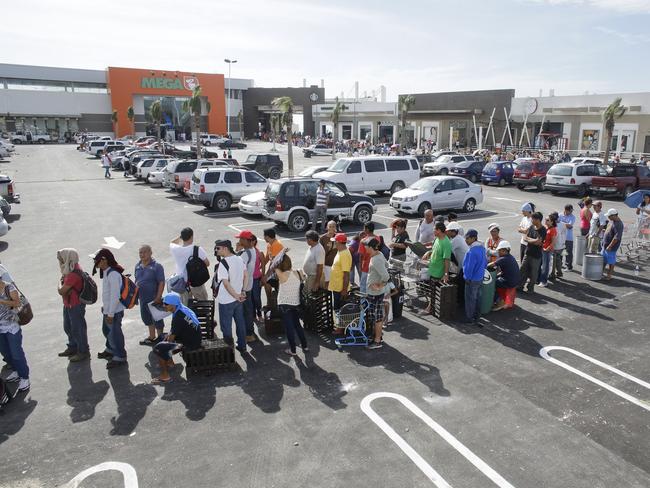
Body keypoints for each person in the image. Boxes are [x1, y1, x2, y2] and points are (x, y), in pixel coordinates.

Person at [151, 293, 202, 384]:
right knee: (163, 337)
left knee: (159, 348)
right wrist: (167, 337)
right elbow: (174, 330)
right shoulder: (181, 309)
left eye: (166, 304)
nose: (163, 305)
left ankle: (165, 376)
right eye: (163, 303)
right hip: (193, 339)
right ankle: (170, 363)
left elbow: (170, 339)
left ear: (173, 304)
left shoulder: (178, 316)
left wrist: (165, 345)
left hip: (190, 344)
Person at [93, 249, 127, 369]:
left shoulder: (113, 274)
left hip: (114, 312)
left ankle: (120, 356)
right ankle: (111, 349)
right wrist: (105, 308)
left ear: (104, 260)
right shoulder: (107, 272)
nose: (95, 263)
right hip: (109, 310)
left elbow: (115, 296)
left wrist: (111, 314)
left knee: (115, 334)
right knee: (107, 331)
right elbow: (108, 294)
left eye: (96, 260)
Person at [214, 239, 247, 353]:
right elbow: (246, 276)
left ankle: (229, 351)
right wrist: (242, 292)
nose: (216, 250)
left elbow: (226, 284)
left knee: (226, 327)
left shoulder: (223, 263)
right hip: (238, 299)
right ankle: (242, 346)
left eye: (218, 248)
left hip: (226, 301)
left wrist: (237, 295)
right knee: (240, 323)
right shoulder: (239, 258)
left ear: (225, 248)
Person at [57, 248, 90, 362]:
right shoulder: (69, 268)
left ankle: (83, 351)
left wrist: (59, 283)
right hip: (68, 303)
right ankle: (73, 347)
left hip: (75, 305)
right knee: (68, 326)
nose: (60, 260)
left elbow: (61, 291)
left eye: (62, 257)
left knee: (78, 328)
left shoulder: (73, 273)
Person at [275, 254, 309, 356]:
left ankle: (293, 350)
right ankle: (305, 345)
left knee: (289, 328)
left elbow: (274, 267)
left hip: (285, 305)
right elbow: (304, 279)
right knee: (298, 325)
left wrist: (274, 260)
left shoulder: (281, 274)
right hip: (296, 303)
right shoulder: (298, 272)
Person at [0, 278, 30, 391]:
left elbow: (17, 303)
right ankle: (16, 371)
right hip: (0, 329)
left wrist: (1, 301)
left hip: (12, 327)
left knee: (16, 353)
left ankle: (24, 377)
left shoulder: (9, 288)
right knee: (6, 353)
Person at [135, 245, 166, 346]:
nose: (142, 254)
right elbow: (137, 280)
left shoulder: (157, 266)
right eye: (140, 252)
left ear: (150, 253)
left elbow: (161, 282)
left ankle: (161, 337)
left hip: (154, 298)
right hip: (142, 298)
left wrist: (158, 296)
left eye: (144, 252)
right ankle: (152, 337)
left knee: (157, 318)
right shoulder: (138, 266)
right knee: (146, 318)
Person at [169, 228, 210, 304]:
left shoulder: (175, 249)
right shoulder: (197, 249)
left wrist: (180, 236)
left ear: (182, 237)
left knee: (186, 305)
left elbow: (172, 242)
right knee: (203, 303)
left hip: (182, 283)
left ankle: (189, 316)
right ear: (191, 236)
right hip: (196, 281)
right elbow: (207, 263)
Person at [365, 237, 390, 349]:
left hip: (376, 294)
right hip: (374, 293)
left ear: (371, 247)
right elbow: (387, 266)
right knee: (374, 316)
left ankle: (377, 341)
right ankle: (377, 336)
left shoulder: (376, 259)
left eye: (366, 246)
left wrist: (380, 285)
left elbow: (386, 276)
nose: (365, 248)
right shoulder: (378, 254)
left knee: (377, 317)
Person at [235, 230, 257, 343]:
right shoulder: (251, 250)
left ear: (245, 240)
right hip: (249, 285)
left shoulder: (244, 254)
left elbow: (236, 268)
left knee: (245, 312)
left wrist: (236, 252)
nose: (239, 241)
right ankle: (250, 332)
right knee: (248, 310)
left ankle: (248, 334)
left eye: (240, 239)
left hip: (243, 287)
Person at [462, 229, 487, 324]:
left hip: (471, 279)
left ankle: (469, 318)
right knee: (478, 297)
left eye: (467, 238)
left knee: (470, 299)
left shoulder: (471, 251)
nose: (466, 240)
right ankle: (477, 316)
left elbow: (469, 267)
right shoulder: (482, 248)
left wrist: (467, 278)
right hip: (480, 277)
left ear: (473, 238)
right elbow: (485, 263)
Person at [328, 233, 352, 327]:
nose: (334, 243)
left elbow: (346, 274)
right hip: (336, 286)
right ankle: (339, 326)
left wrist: (344, 290)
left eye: (335, 242)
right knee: (337, 308)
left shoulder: (345, 254)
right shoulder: (340, 251)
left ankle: (340, 327)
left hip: (340, 288)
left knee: (338, 309)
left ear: (339, 242)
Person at [487, 241, 519, 311]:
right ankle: (500, 299)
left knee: (492, 284)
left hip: (509, 281)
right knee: (496, 279)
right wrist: (497, 276)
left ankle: (499, 301)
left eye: (499, 250)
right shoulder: (510, 257)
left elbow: (489, 265)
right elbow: (503, 272)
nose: (498, 252)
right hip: (514, 280)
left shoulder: (503, 259)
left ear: (504, 250)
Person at [519, 212, 546, 293]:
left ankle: (530, 288)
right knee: (523, 270)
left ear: (538, 220)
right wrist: (533, 240)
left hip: (536, 256)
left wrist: (530, 240)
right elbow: (525, 238)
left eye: (533, 219)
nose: (532, 220)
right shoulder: (531, 227)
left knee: (533, 273)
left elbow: (538, 242)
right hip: (528, 253)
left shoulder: (543, 230)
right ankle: (520, 286)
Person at [261, 228, 284, 304]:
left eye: (264, 236)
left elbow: (273, 263)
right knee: (266, 283)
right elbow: (267, 258)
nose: (263, 238)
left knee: (266, 281)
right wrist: (260, 267)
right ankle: (270, 301)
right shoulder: (269, 245)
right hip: (274, 270)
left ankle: (270, 302)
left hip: (279, 271)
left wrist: (267, 275)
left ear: (267, 237)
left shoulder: (277, 244)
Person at [602, 209, 624, 280]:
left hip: (611, 247)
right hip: (605, 245)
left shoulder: (619, 224)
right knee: (604, 259)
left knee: (611, 261)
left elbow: (617, 237)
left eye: (609, 216)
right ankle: (600, 272)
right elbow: (609, 230)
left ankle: (609, 275)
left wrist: (610, 246)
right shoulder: (612, 221)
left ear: (614, 215)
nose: (608, 217)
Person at [358, 222, 377, 294]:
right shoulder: (378, 238)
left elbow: (361, 255)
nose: (363, 230)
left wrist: (360, 267)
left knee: (363, 286)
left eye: (364, 228)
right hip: (375, 267)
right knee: (373, 286)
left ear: (367, 229)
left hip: (366, 267)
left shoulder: (363, 241)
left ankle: (363, 303)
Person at [539, 214, 558, 287]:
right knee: (542, 265)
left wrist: (548, 248)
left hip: (547, 250)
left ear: (552, 222)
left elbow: (553, 242)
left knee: (545, 266)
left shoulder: (552, 229)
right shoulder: (547, 228)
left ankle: (544, 281)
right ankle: (540, 279)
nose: (546, 222)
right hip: (542, 249)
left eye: (547, 220)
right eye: (545, 220)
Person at [319, 221, 338, 289]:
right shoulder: (322, 238)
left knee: (335, 282)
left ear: (335, 228)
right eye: (330, 226)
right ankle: (328, 297)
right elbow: (319, 252)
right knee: (327, 282)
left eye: (333, 227)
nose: (331, 228)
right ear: (327, 227)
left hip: (336, 264)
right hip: (326, 264)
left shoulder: (338, 237)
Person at [549, 211, 566, 280]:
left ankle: (552, 274)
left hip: (555, 245)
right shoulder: (563, 224)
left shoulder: (554, 226)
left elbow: (554, 237)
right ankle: (559, 272)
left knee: (553, 260)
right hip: (562, 245)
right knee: (558, 260)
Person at [558, 204, 576, 270]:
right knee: (561, 251)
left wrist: (560, 223)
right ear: (565, 210)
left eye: (572, 211)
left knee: (568, 252)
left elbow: (570, 226)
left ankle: (569, 266)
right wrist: (565, 224)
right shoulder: (560, 215)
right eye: (570, 211)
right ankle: (559, 264)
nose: (571, 212)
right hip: (561, 237)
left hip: (569, 237)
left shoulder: (572, 217)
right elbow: (556, 223)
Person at [251, 235, 263, 322]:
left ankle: (259, 314)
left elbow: (263, 265)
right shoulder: (245, 252)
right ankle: (253, 315)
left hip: (256, 278)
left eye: (251, 241)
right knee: (250, 299)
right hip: (248, 280)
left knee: (256, 298)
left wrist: (263, 277)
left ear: (255, 241)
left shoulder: (259, 252)